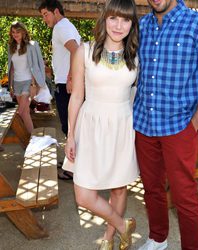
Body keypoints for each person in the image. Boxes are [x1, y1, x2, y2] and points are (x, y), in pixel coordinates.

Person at [133, 0, 198, 249]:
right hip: (144, 124)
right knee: (151, 189)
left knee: (184, 196)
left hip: (179, 127)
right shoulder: (141, 26)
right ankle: (157, 238)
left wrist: (194, 124)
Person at [62, 0, 139, 249]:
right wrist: (71, 135)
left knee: (118, 188)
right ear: (104, 19)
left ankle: (108, 239)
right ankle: (122, 224)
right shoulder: (83, 50)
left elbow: (137, 93)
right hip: (91, 123)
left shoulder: (137, 55)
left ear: (132, 24)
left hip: (122, 125)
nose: (119, 25)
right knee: (84, 195)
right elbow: (76, 96)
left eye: (125, 19)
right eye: (113, 18)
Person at [39, 0, 81, 180]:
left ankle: (74, 169)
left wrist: (71, 77)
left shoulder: (61, 27)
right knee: (72, 126)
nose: (44, 19)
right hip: (67, 82)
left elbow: (76, 50)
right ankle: (71, 162)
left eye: (45, 14)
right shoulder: (67, 26)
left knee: (69, 126)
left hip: (66, 83)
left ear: (56, 11)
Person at [8, 21, 47, 133]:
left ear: (24, 32)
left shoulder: (31, 46)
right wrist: (10, 86)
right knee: (25, 113)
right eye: (13, 32)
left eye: (18, 32)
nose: (15, 34)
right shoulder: (11, 47)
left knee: (20, 112)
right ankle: (32, 138)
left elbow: (34, 66)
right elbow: (11, 68)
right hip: (16, 83)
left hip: (28, 82)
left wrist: (33, 85)